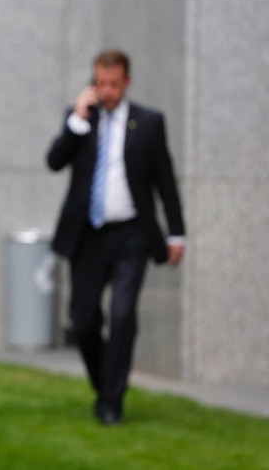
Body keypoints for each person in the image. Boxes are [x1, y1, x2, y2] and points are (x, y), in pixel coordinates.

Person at [46, 49, 185, 425]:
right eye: (100, 83)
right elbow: (55, 161)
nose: (106, 91)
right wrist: (76, 120)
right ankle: (105, 383)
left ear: (126, 82)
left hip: (132, 235)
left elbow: (165, 180)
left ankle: (111, 402)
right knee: (83, 321)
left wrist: (176, 233)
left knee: (123, 315)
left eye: (113, 84)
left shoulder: (149, 123)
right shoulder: (80, 119)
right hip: (88, 236)